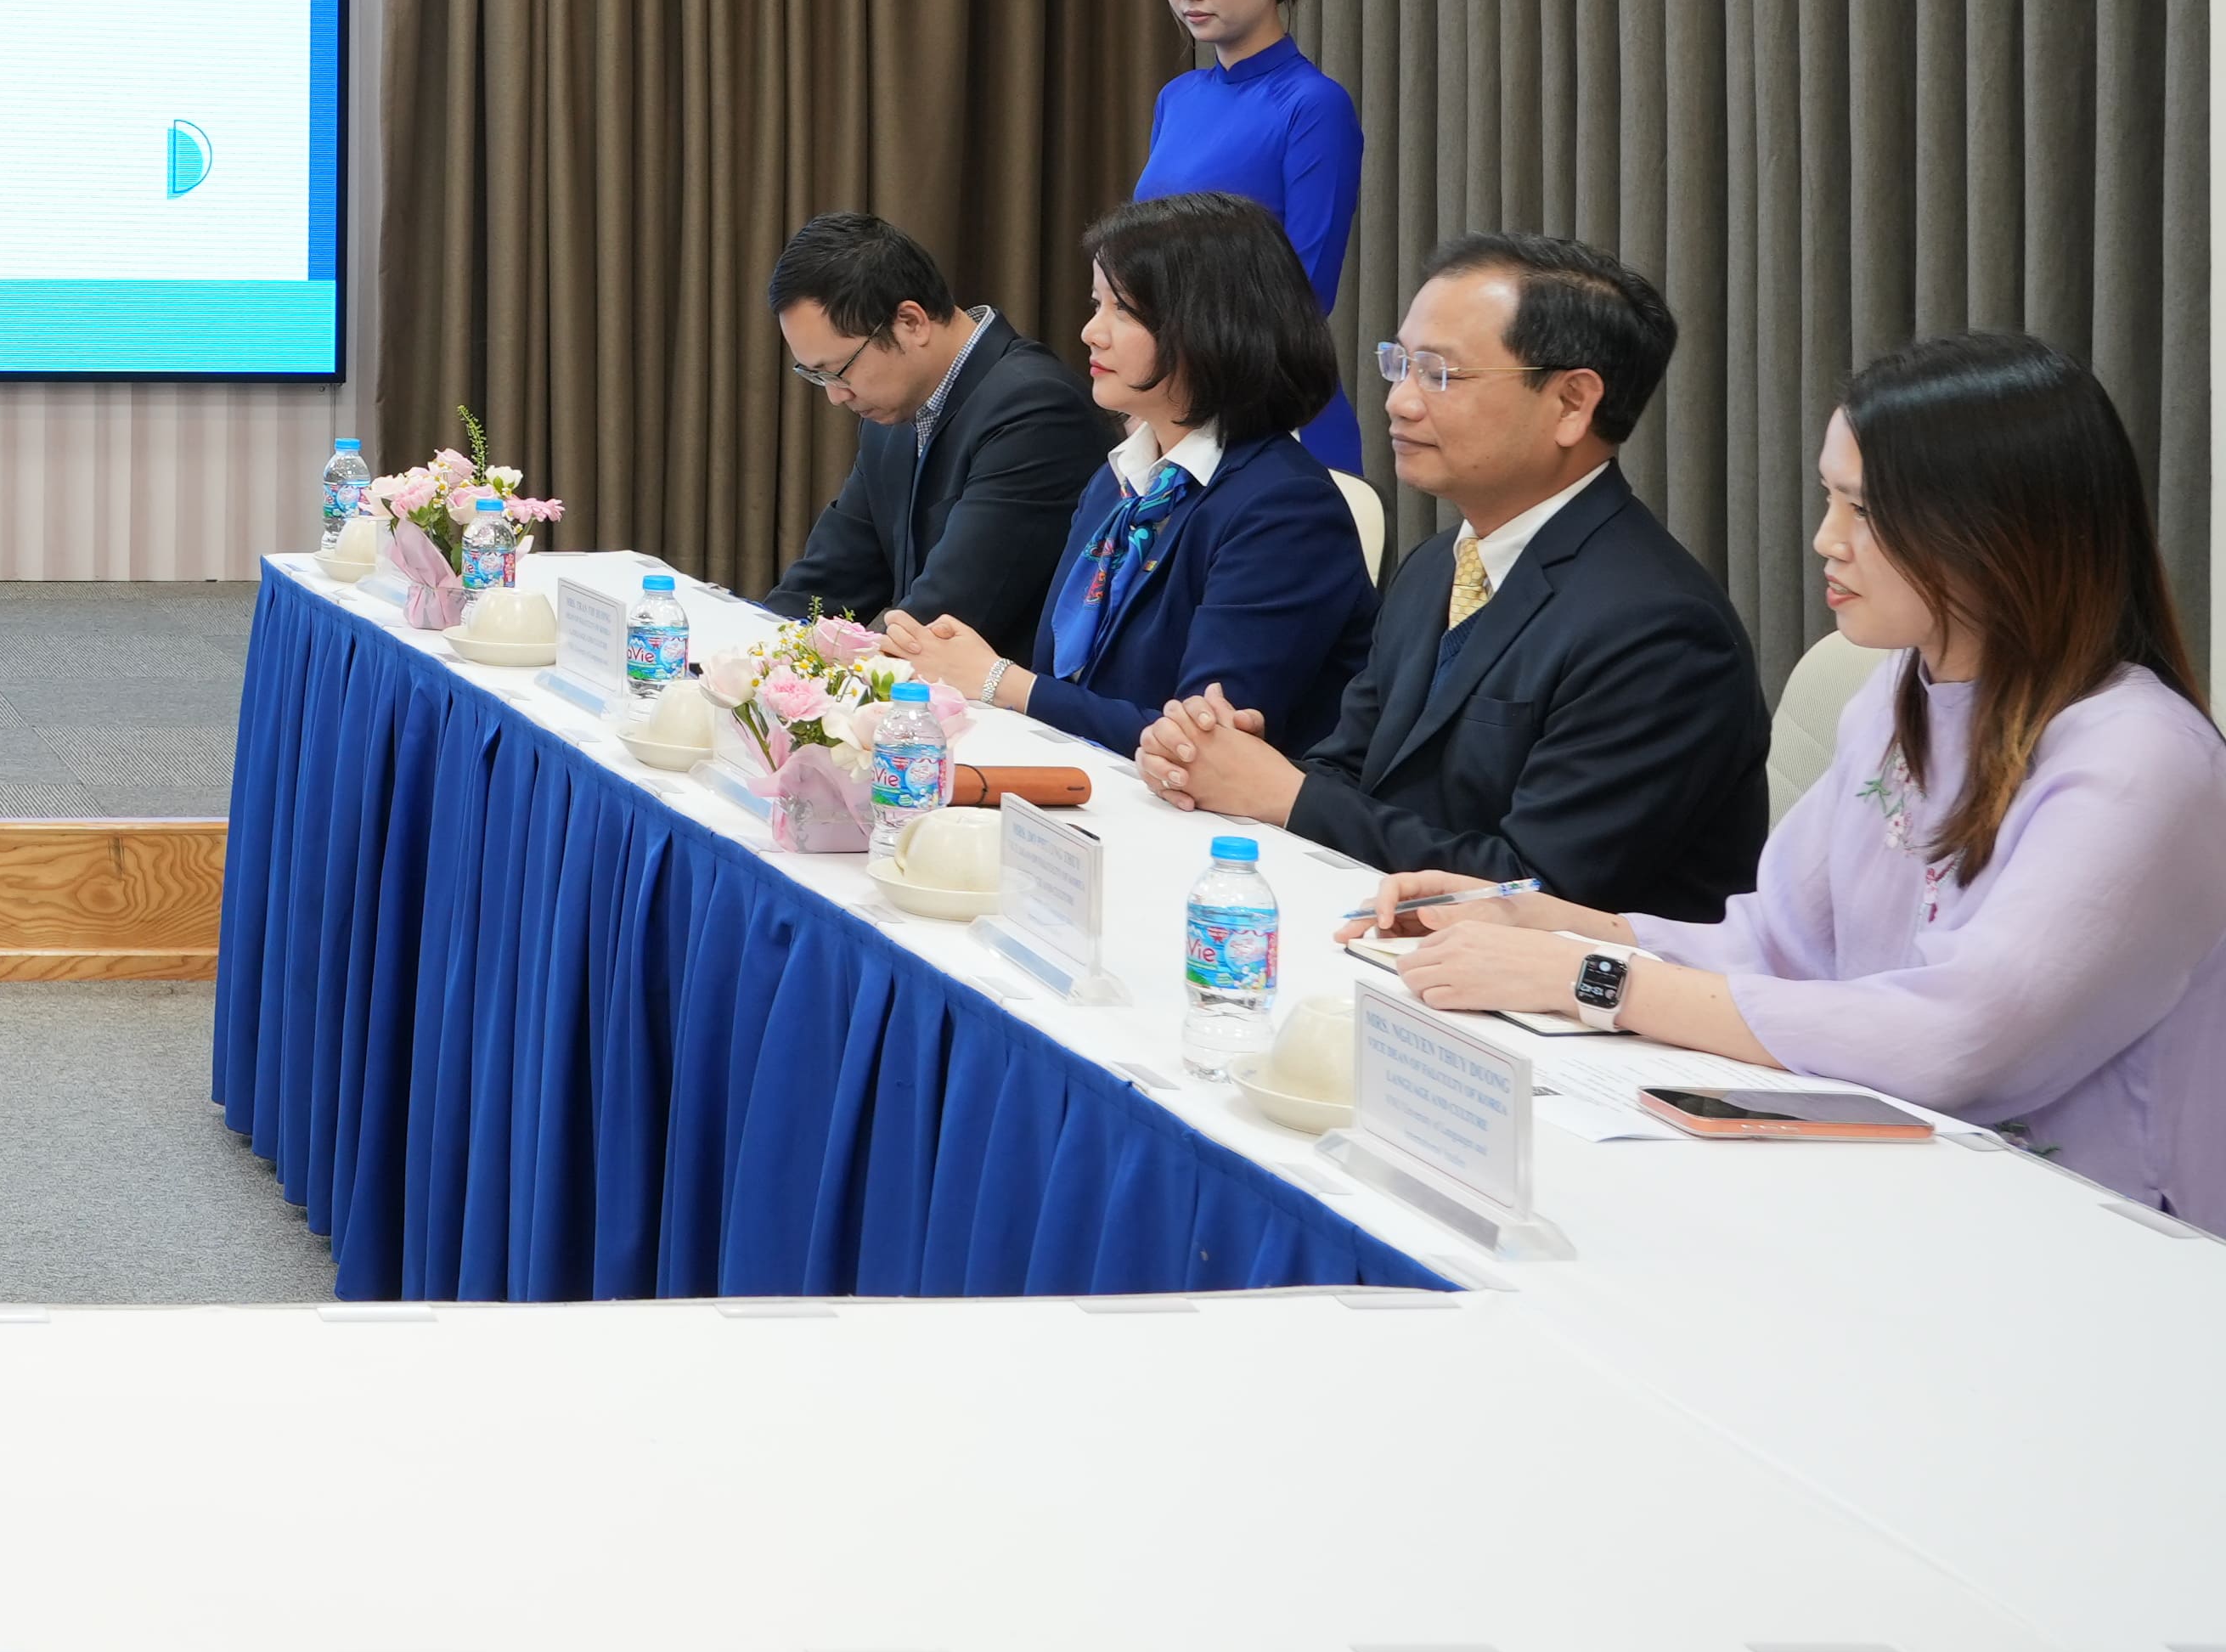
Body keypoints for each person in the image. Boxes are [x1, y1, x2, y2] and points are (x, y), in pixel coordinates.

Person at [1367, 337, 2226, 1216]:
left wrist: (1589, 978)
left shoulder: (2137, 759)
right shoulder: (1901, 691)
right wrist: (1546, 921)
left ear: (2000, 531)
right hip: (1899, 1185)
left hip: (2085, 1228)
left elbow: (1957, 1040)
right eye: (1829, 497)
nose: (1826, 539)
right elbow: (1779, 947)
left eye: (1864, 509)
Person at [1143, 230, 1767, 916]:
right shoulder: (1438, 563)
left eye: (1439, 373)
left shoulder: (1660, 629)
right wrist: (1227, 762)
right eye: (1399, 364)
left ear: (1571, 403)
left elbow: (1538, 887)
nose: (1399, 401)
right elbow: (1354, 768)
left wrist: (1287, 795)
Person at [887, 192, 1371, 757]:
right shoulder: (1119, 481)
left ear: (1210, 324)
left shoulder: (1284, 508)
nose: (1092, 332)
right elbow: (1074, 681)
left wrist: (1001, 681)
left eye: (1123, 310)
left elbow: (1203, 744)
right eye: (1097, 305)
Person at [758, 211, 1108, 662]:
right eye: (816, 376)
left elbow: (941, 619)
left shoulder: (1036, 410)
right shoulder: (891, 417)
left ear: (911, 322)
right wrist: (752, 657)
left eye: (838, 370)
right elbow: (828, 583)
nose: (836, 396)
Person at [1136, 0, 1363, 472]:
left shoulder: (1313, 105)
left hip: (1267, 405)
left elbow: (1306, 289)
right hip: (1171, 397)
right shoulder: (1178, 98)